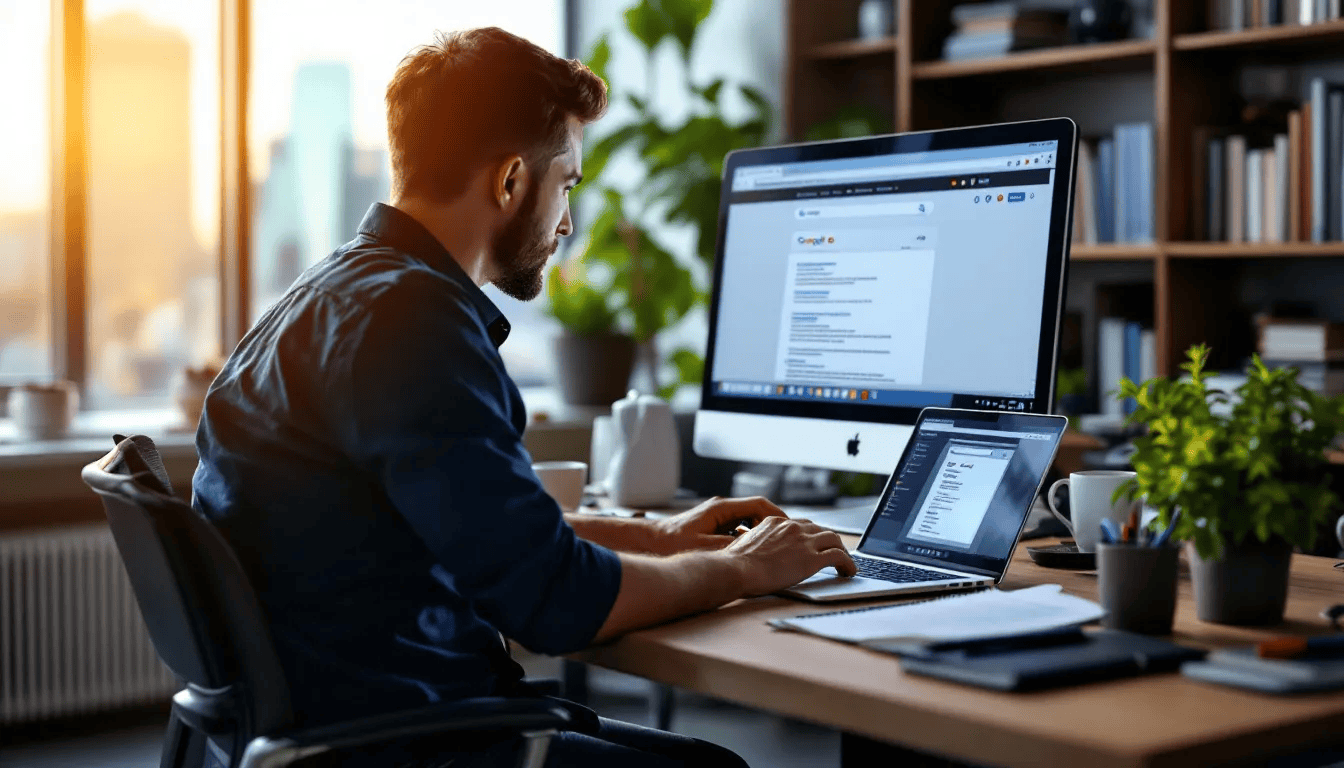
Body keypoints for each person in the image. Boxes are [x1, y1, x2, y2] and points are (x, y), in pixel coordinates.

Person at [192, 27, 855, 767]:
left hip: (336, 727)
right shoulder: (413, 327)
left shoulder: (331, 295)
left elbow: (492, 534)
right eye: (566, 184)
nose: (567, 221)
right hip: (411, 745)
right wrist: (742, 569)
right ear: (511, 181)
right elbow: (554, 601)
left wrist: (663, 538)